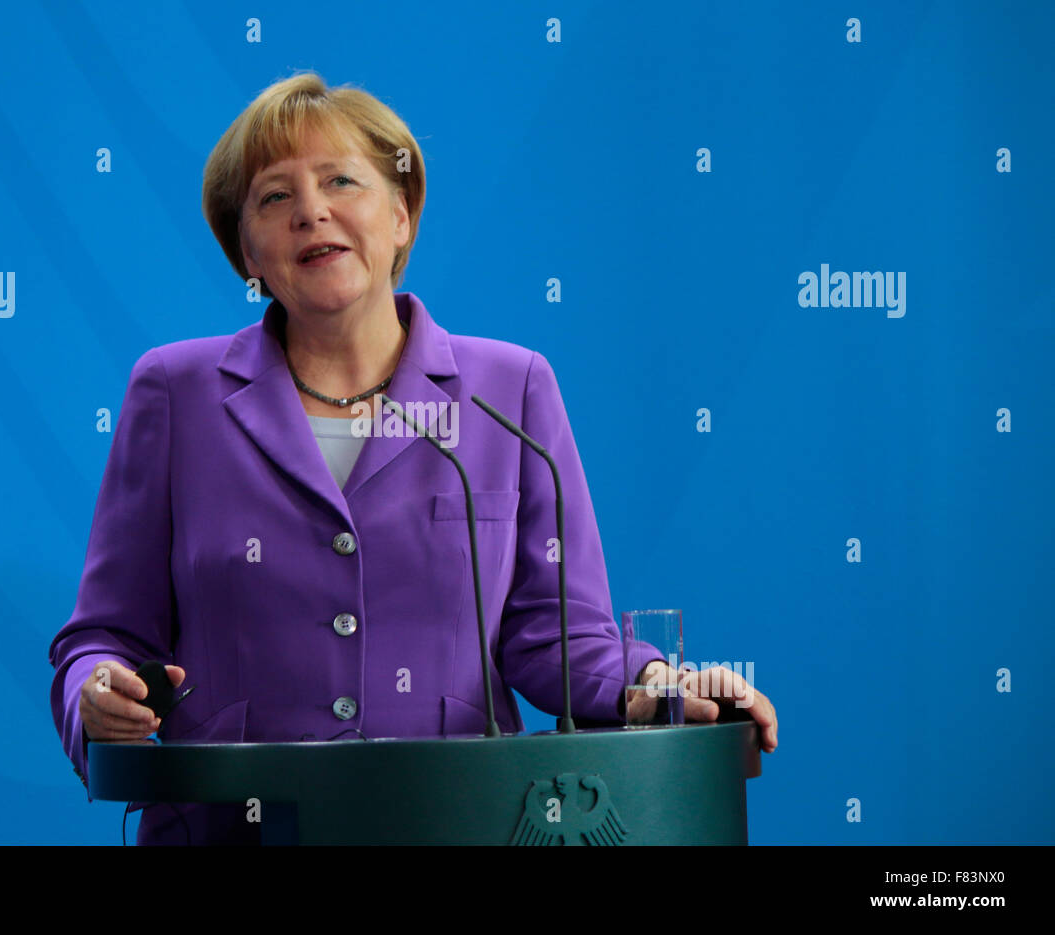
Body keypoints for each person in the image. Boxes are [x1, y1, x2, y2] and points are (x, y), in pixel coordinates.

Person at [48, 72, 778, 845]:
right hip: (233, 829)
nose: (312, 210)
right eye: (273, 197)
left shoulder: (511, 389)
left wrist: (653, 684)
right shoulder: (175, 393)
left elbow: (559, 633)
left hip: (457, 823)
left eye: (341, 181)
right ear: (247, 254)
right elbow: (105, 634)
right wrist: (95, 693)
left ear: (400, 216)